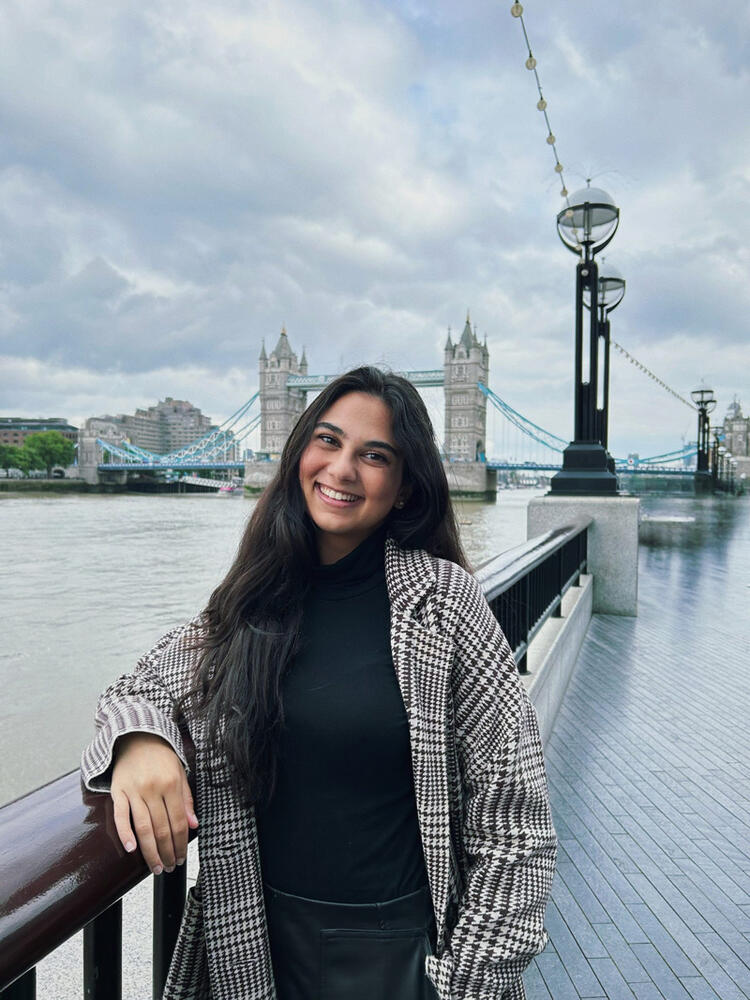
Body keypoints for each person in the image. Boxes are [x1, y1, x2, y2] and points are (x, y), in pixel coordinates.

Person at [81, 366, 556, 1000]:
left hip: (398, 957)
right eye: (327, 441)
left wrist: (462, 984)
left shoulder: (443, 604)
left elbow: (518, 827)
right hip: (251, 947)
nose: (341, 469)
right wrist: (140, 745)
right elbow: (140, 684)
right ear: (299, 449)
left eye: (374, 455)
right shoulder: (251, 602)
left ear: (407, 486)